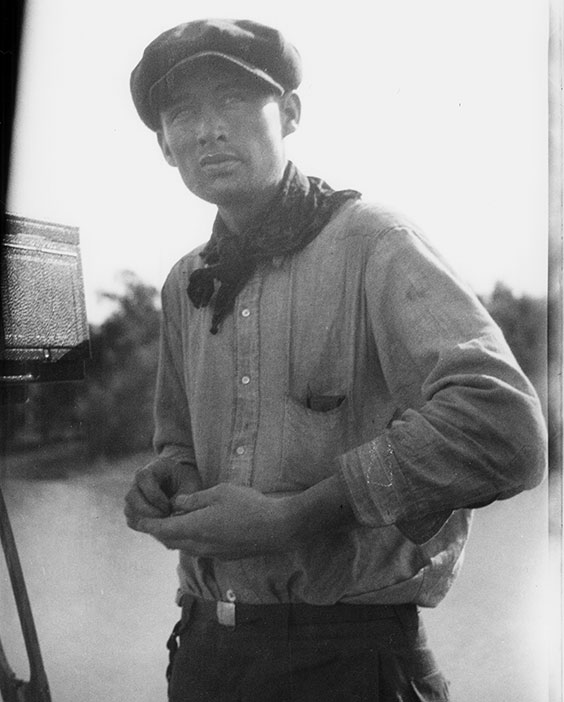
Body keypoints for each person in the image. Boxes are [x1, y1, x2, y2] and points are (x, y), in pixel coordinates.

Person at [124, 19, 547, 702]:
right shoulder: (184, 283)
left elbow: (505, 429)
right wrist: (169, 480)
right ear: (166, 148)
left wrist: (296, 516)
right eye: (182, 112)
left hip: (347, 662)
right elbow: (178, 440)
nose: (207, 129)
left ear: (289, 113)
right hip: (205, 656)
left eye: (233, 99)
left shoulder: (372, 242)